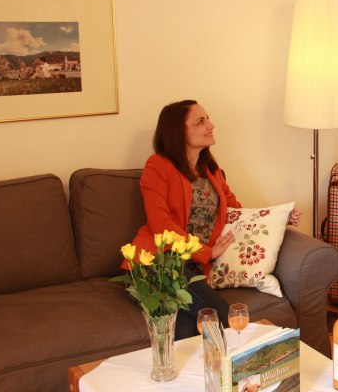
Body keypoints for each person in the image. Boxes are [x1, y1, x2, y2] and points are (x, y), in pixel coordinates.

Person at [124, 100, 301, 339]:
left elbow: (235, 211)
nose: (211, 125)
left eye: (207, 118)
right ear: (178, 131)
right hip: (157, 263)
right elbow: (160, 226)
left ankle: (223, 363)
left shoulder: (211, 168)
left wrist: (276, 219)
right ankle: (254, 356)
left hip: (191, 268)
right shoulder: (158, 166)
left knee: (189, 327)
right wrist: (207, 252)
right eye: (201, 121)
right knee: (217, 312)